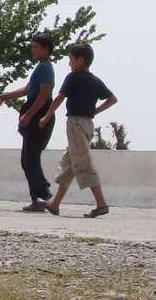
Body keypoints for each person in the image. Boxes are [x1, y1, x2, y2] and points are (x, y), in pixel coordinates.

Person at [39, 41, 116, 217]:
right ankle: (55, 204)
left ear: (80, 60)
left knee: (83, 161)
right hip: (88, 124)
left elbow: (59, 97)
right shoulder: (95, 81)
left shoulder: (73, 77)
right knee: (69, 163)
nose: (69, 63)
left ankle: (101, 203)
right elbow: (112, 99)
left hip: (76, 124)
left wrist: (47, 116)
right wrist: (94, 111)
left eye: (71, 59)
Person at [0, 32, 56, 212]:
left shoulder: (44, 68)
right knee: (28, 158)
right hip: (36, 112)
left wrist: (28, 116)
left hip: (37, 113)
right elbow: (27, 89)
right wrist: (3, 97)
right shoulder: (41, 68)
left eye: (36, 47)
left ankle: (42, 191)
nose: (33, 50)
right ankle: (38, 196)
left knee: (30, 157)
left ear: (45, 49)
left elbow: (44, 94)